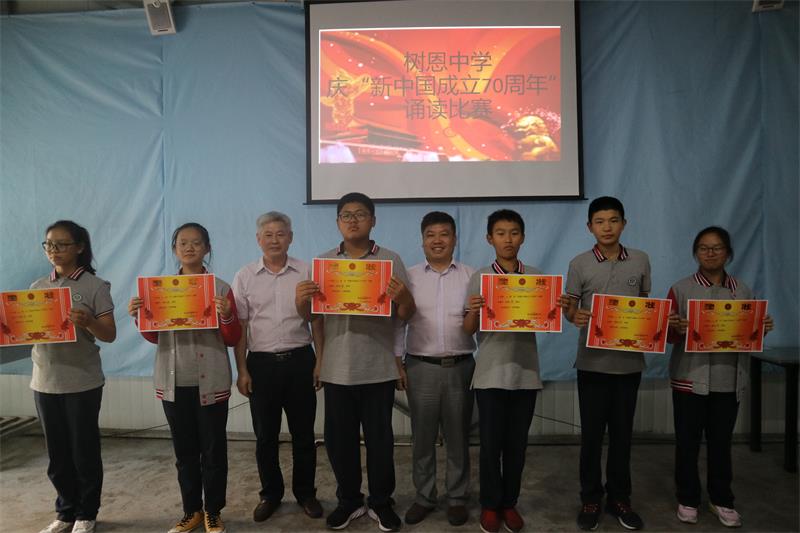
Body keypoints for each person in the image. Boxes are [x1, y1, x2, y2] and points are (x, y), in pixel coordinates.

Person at [296, 192, 415, 532]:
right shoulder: (324, 263)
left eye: (360, 214)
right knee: (339, 442)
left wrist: (404, 298)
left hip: (377, 367)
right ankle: (349, 500)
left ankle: (381, 501)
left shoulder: (390, 260)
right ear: (338, 222)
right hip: (337, 368)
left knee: (380, 442)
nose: (353, 220)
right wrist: (301, 302)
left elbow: (405, 315)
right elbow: (312, 318)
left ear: (373, 220)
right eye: (346, 215)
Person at [128, 222, 240, 533]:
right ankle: (192, 510)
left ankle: (213, 511)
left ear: (207, 248)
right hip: (173, 384)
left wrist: (226, 314)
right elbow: (154, 337)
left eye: (196, 242)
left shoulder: (220, 288)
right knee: (185, 453)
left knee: (213, 452)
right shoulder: (159, 290)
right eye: (182, 243)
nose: (189, 248)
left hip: (211, 382)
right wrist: (139, 316)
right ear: (175, 249)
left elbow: (232, 338)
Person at [666, 226, 773, 528]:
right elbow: (666, 336)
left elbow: (748, 336)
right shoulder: (681, 288)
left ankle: (721, 499)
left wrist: (761, 329)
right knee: (687, 442)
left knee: (721, 443)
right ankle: (688, 498)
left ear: (728, 253)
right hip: (690, 378)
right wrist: (676, 327)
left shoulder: (743, 291)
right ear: (695, 253)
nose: (710, 253)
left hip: (728, 379)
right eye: (703, 248)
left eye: (717, 248)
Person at [560, 196, 651, 531]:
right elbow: (570, 310)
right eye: (600, 222)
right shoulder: (579, 263)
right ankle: (591, 499)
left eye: (613, 220)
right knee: (592, 438)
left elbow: (645, 307)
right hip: (592, 364)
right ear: (590, 227)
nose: (607, 227)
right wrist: (574, 315)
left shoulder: (640, 260)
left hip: (629, 365)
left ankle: (620, 498)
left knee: (623, 437)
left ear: (624, 224)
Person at [232, 212, 323, 523]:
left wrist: (320, 360)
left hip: (300, 361)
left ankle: (306, 493)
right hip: (261, 365)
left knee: (304, 435)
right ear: (259, 240)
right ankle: (270, 494)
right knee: (265, 437)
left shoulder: (306, 272)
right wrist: (242, 370)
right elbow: (241, 328)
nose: (274, 240)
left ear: (291, 237)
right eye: (268, 235)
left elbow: (318, 320)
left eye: (281, 234)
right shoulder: (245, 276)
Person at [32, 221, 116, 533]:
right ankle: (65, 511)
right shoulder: (37, 287)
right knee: (57, 453)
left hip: (82, 380)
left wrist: (90, 322)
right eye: (49, 244)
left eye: (61, 244)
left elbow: (109, 334)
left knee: (84, 450)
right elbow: (27, 332)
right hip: (45, 379)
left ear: (79, 247)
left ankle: (86, 512)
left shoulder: (95, 286)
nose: (54, 250)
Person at [463, 209, 543, 533]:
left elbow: (546, 321)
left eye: (514, 232)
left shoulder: (536, 278)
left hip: (526, 373)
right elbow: (467, 328)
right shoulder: (481, 278)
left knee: (516, 446)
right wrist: (475, 310)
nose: (507, 239)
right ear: (489, 239)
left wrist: (553, 308)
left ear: (522, 237)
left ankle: (509, 502)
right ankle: (490, 504)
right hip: (490, 374)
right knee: (490, 445)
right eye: (500, 233)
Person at [402, 211, 476, 527]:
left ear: (454, 239)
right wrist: (396, 361)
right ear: (422, 241)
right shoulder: (409, 277)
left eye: (444, 234)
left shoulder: (472, 276)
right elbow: (398, 322)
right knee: (422, 436)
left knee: (458, 436)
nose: (437, 240)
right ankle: (424, 496)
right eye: (430, 235)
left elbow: (481, 321)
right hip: (421, 366)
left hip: (461, 366)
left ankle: (457, 497)